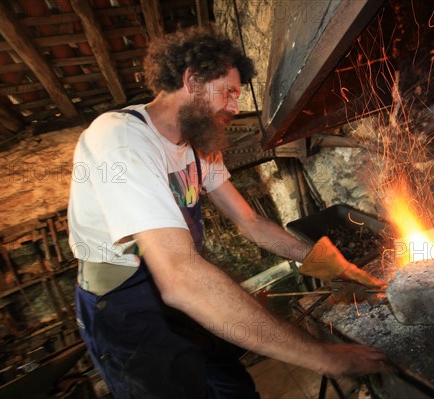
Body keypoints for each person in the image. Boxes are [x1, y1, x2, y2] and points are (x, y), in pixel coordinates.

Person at [68, 27, 388, 399]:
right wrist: (327, 359)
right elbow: (182, 278)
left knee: (233, 388)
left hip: (176, 290)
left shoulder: (198, 145)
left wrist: (330, 266)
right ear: (193, 80)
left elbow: (250, 222)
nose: (236, 108)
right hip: (126, 303)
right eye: (230, 92)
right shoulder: (120, 139)